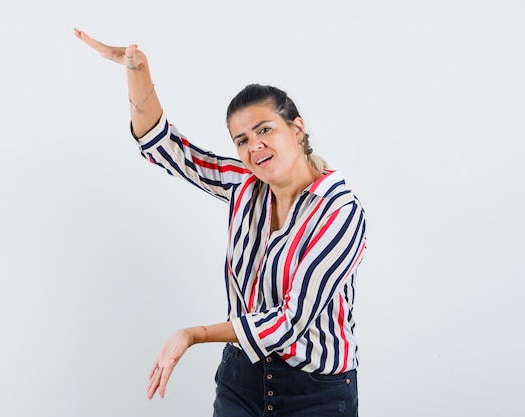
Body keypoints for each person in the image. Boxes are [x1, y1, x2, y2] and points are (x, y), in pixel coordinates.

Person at [74, 29, 367, 417]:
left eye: (265, 130)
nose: (254, 146)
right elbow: (167, 148)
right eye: (241, 139)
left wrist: (194, 334)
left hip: (317, 391)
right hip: (241, 380)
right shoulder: (244, 183)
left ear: (296, 129)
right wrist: (137, 69)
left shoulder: (340, 211)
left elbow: (289, 321)